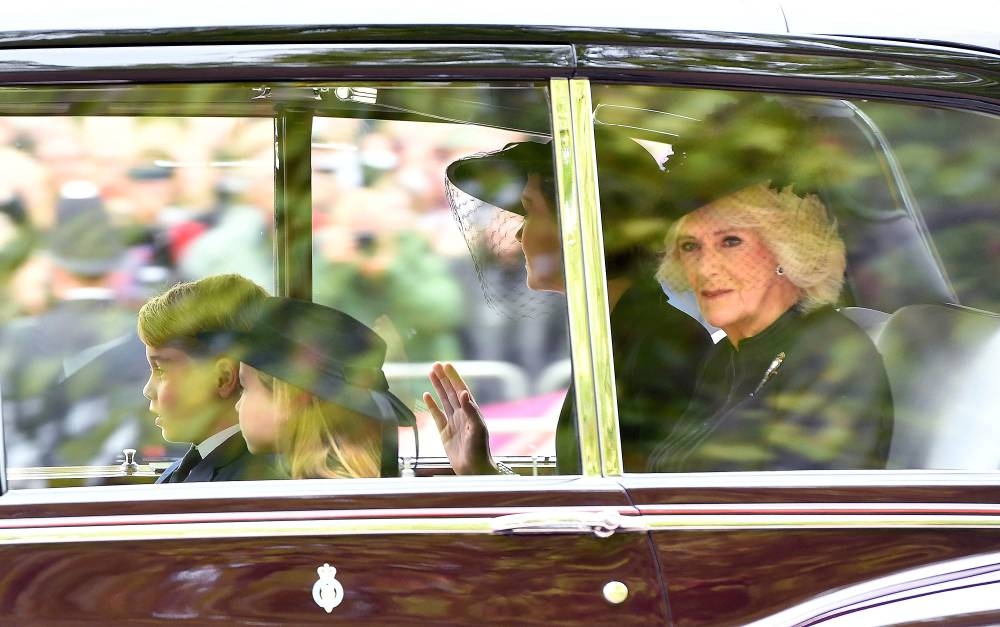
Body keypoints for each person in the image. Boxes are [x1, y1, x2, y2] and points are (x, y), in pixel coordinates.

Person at [426, 129, 713, 474]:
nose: (518, 232)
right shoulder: (620, 333)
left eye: (531, 211)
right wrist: (484, 470)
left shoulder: (658, 345)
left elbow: (620, 506)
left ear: (579, 226)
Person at [646, 180, 894, 471]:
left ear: (785, 253)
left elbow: (799, 501)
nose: (704, 268)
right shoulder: (726, 354)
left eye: (730, 242)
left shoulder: (831, 353)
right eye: (690, 247)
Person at [233, 296, 417, 479]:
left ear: (294, 399)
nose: (237, 405)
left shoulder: (305, 497)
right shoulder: (346, 480)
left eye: (245, 388)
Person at [137, 273, 282, 483]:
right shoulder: (185, 469)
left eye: (161, 369)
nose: (148, 390)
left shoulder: (250, 482)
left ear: (222, 378)